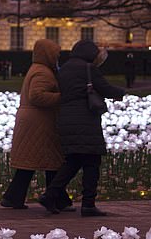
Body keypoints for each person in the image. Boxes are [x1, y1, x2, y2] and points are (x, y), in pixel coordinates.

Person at [39, 40, 125, 217]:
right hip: (85, 120)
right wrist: (121, 92)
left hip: (66, 118)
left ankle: (50, 194)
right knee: (92, 162)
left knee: (73, 160)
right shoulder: (88, 69)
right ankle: (88, 204)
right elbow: (104, 88)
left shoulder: (64, 69)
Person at [1, 39, 73, 211]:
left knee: (31, 163)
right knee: (51, 162)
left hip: (34, 122)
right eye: (55, 53)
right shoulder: (43, 72)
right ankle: (56, 199)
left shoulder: (38, 69)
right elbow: (37, 96)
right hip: (39, 123)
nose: (57, 57)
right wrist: (62, 97)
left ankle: (14, 197)